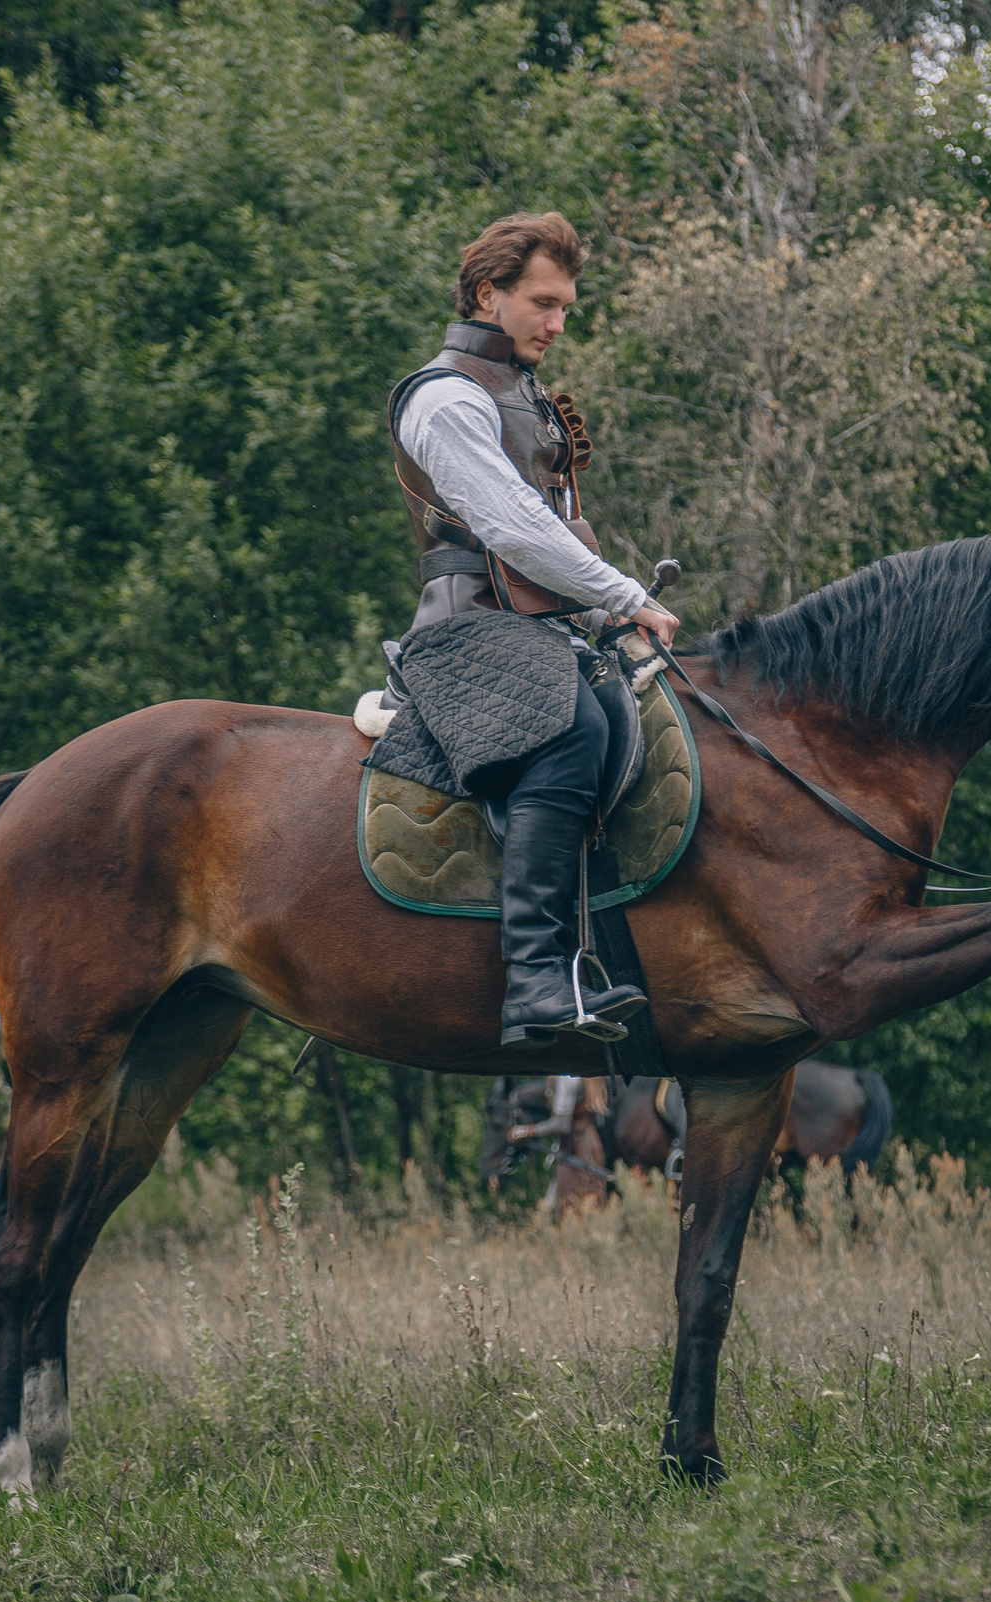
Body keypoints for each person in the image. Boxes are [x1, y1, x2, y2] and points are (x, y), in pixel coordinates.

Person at [384, 212, 681, 1049]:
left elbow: (554, 539)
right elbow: (514, 529)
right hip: (464, 631)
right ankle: (536, 982)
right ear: (489, 294)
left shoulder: (528, 396)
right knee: (571, 730)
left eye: (566, 308)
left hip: (541, 630)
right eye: (544, 304)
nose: (558, 323)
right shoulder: (446, 398)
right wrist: (627, 596)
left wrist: (609, 615)